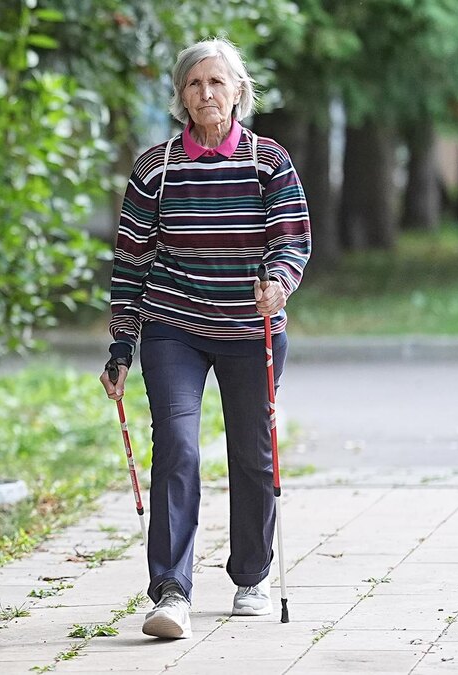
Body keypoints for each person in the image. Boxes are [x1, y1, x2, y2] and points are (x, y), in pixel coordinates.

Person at [99, 37, 311, 639]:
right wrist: (121, 346)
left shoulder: (267, 160)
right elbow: (131, 262)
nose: (206, 93)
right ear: (180, 97)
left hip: (250, 328)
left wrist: (279, 281)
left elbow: (291, 237)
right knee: (178, 448)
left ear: (240, 91)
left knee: (252, 452)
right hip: (175, 327)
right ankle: (171, 591)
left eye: (218, 82)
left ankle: (252, 574)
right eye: (194, 84)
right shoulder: (156, 167)